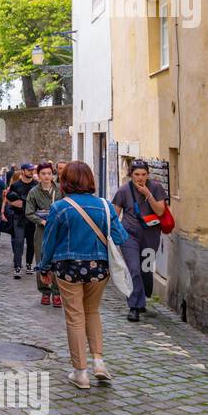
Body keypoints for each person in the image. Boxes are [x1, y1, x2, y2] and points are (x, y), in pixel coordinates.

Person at [37, 161, 129, 389]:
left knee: (75, 317)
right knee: (92, 312)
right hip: (99, 268)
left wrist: (44, 268)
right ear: (90, 180)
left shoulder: (60, 207)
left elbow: (48, 242)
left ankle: (80, 372)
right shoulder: (105, 206)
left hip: (68, 268)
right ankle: (99, 362)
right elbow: (121, 237)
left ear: (65, 181)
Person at [112, 159, 168, 322]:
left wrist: (148, 195)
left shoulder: (156, 188)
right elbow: (114, 215)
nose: (140, 178)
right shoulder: (123, 191)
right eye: (137, 174)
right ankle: (134, 306)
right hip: (129, 236)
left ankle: (142, 297)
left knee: (146, 270)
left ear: (148, 175)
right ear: (131, 175)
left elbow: (159, 211)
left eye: (143, 174)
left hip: (150, 236)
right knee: (134, 269)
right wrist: (115, 234)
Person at [26, 162, 62, 307]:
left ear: (53, 174)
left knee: (57, 261)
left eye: (49, 173)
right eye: (43, 174)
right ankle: (45, 291)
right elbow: (29, 212)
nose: (47, 176)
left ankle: (57, 293)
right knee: (41, 260)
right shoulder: (34, 192)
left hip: (59, 231)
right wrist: (41, 221)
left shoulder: (60, 190)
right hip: (42, 231)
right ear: (39, 175)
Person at [6, 162, 38, 277]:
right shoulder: (16, 185)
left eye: (32, 170)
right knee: (18, 242)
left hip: (32, 218)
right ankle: (17, 267)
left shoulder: (36, 185)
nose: (31, 172)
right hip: (18, 217)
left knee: (31, 243)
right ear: (23, 171)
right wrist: (15, 203)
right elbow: (9, 200)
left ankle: (29, 264)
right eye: (29, 170)